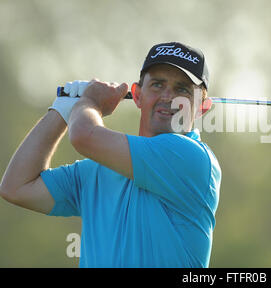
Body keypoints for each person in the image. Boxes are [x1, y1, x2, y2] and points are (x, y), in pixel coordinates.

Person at [0, 42, 221, 268]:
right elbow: (16, 187)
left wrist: (88, 102)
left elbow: (84, 135)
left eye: (182, 89)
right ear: (137, 95)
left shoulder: (193, 160)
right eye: (157, 84)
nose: (167, 96)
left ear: (203, 107)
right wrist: (61, 110)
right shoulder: (96, 171)